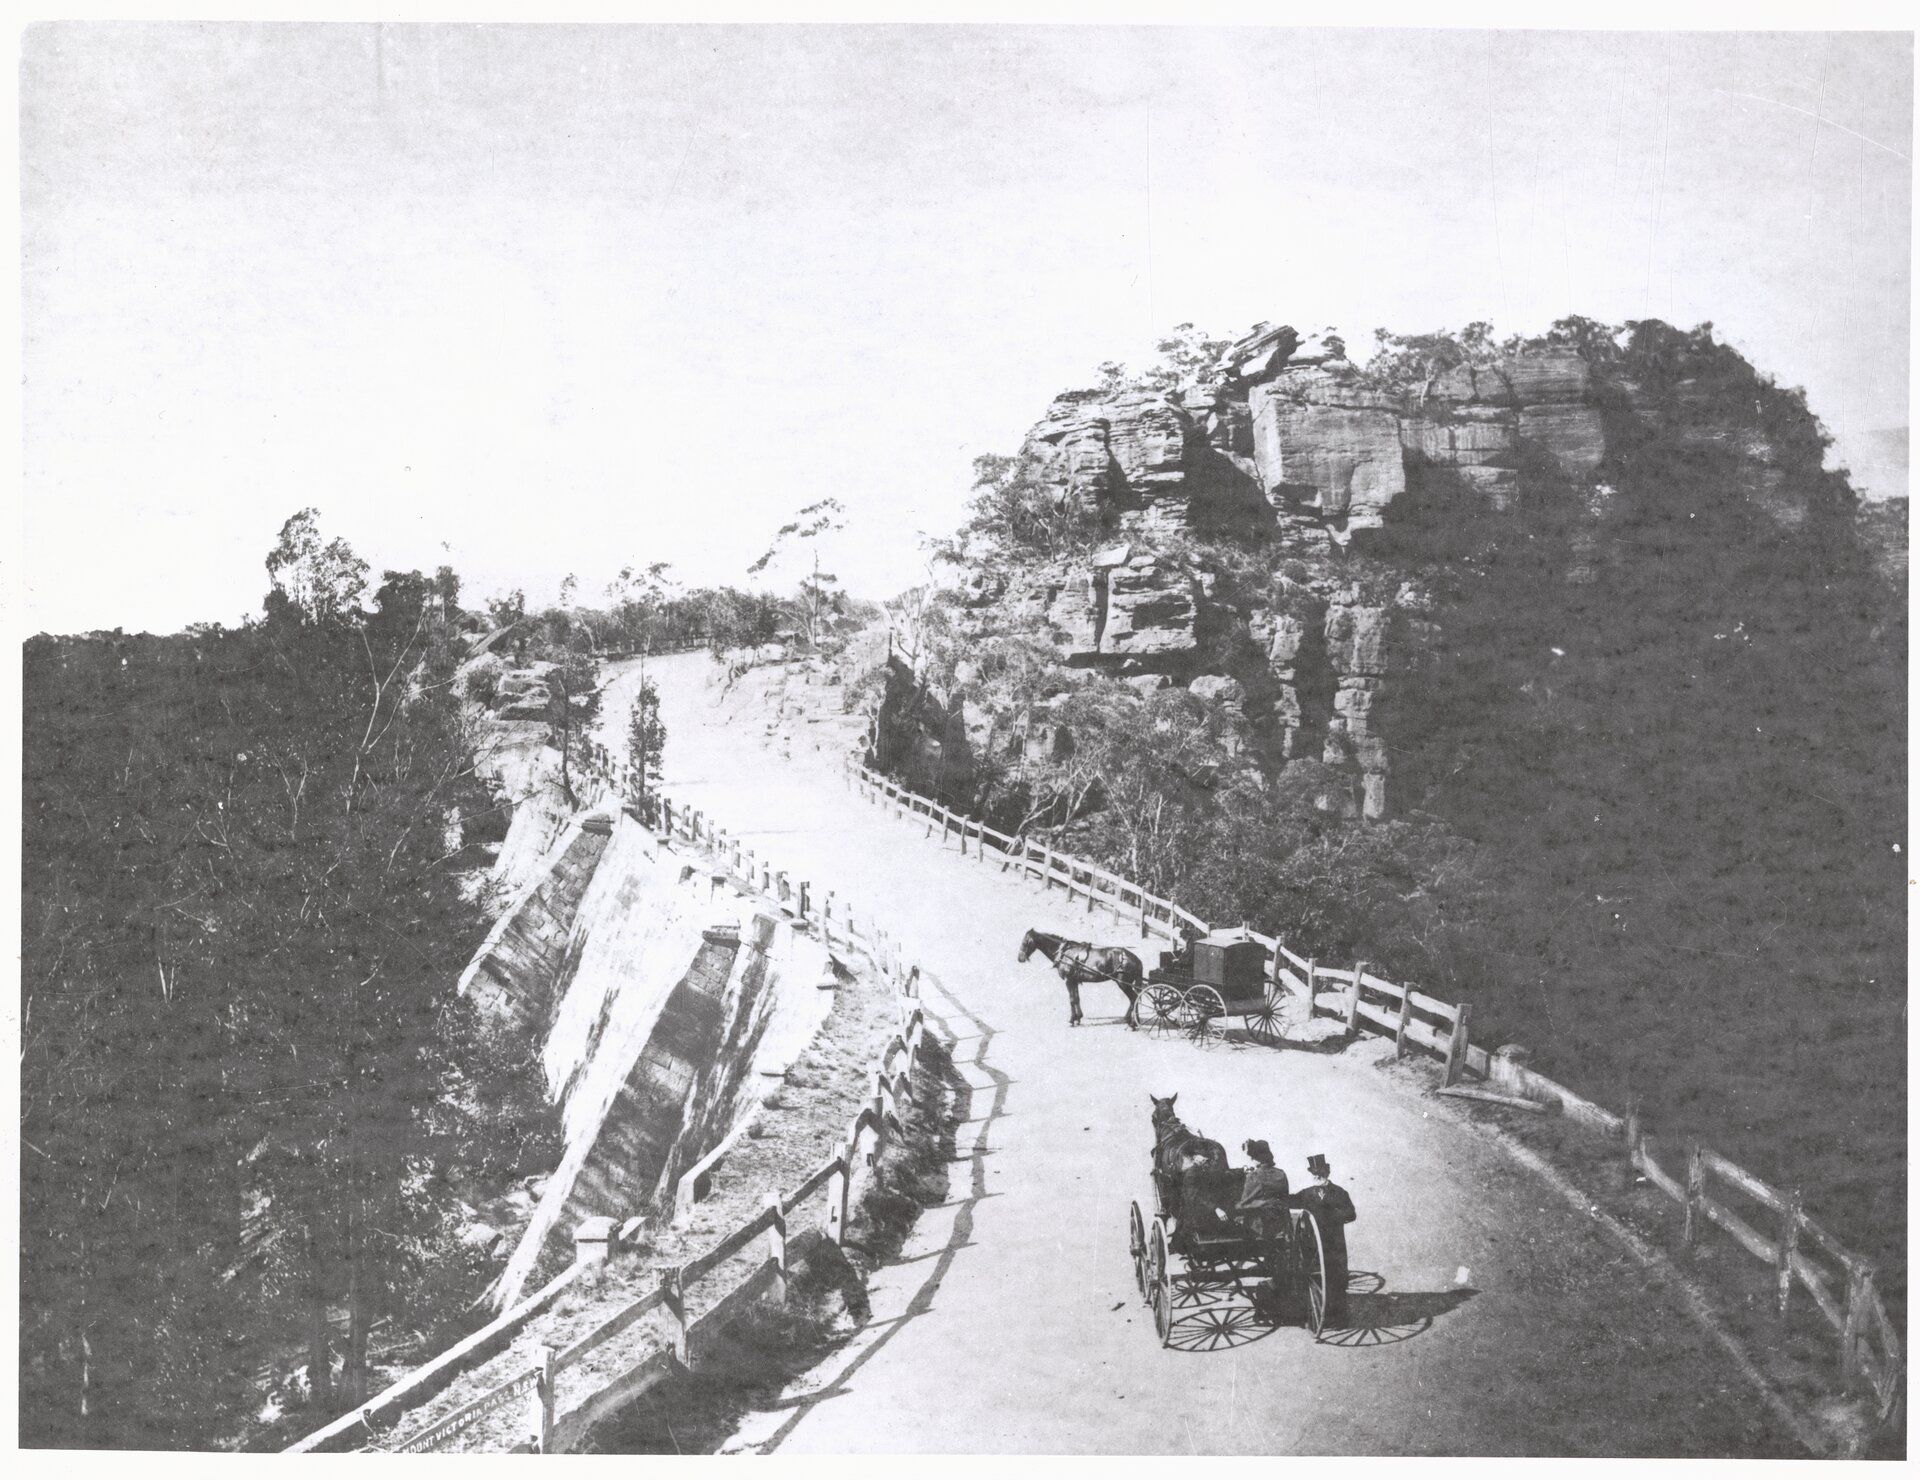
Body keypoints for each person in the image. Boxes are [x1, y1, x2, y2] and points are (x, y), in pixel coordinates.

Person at [1296, 1153, 1356, 1326]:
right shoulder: (1306, 1194)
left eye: (1320, 1172)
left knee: (1337, 1279)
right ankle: (1316, 1319)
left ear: (1327, 1173)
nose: (1316, 1175)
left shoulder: (1339, 1193)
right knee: (1315, 1280)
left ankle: (1338, 1320)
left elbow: (1351, 1214)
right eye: (1314, 1173)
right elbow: (1289, 1200)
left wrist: (1330, 1215)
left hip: (1334, 1244)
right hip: (1313, 1246)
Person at [1235, 1139, 1291, 1237]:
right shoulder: (1281, 1173)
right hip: (1280, 1223)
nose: (1251, 1160)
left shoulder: (1253, 1176)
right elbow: (1285, 1197)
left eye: (1252, 1158)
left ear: (1257, 1159)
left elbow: (1244, 1202)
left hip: (1260, 1227)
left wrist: (1235, 1206)